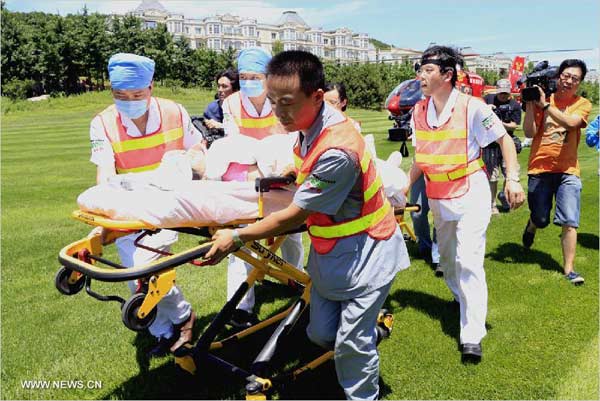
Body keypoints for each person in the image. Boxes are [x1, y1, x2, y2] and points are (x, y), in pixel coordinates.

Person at [206, 50, 409, 400]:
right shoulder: (309, 126)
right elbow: (305, 166)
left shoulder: (337, 150)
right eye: (272, 102)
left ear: (316, 97)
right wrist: (293, 174)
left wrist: (236, 236)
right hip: (333, 254)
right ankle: (367, 338)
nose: (278, 112)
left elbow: (293, 216)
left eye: (286, 103)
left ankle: (364, 394)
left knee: (350, 344)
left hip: (369, 253)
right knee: (320, 335)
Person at [405, 46, 525, 362]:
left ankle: (471, 334)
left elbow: (505, 141)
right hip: (438, 197)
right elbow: (421, 158)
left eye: (428, 70)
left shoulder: (473, 107)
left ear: (447, 75)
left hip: (471, 192)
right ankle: (461, 297)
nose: (421, 76)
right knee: (447, 260)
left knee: (469, 260)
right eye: (420, 69)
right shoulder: (418, 112)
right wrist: (404, 188)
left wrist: (512, 179)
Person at [89, 53, 202, 356]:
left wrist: (189, 171)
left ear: (151, 87)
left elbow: (197, 150)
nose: (128, 101)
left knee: (144, 267)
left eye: (137, 94)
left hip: (171, 200)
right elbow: (105, 170)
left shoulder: (174, 111)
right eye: (119, 95)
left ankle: (182, 316)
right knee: (134, 277)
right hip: (129, 202)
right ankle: (164, 331)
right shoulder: (102, 122)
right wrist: (106, 207)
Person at [221, 47, 304, 328]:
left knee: (291, 234)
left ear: (267, 76)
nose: (248, 82)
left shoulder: (281, 100)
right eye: (243, 76)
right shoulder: (231, 104)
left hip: (282, 175)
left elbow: (289, 136)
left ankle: (296, 279)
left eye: (254, 76)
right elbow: (232, 145)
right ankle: (241, 307)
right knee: (243, 240)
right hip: (247, 178)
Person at [522, 59, 592, 285]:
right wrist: (532, 105)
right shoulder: (543, 99)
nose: (569, 81)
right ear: (558, 76)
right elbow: (530, 132)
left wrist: (544, 106)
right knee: (541, 218)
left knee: (570, 220)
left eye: (575, 78)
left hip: (568, 171)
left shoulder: (582, 103)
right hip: (540, 168)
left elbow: (571, 123)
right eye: (566, 76)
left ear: (579, 83)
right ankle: (533, 224)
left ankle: (569, 269)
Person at [483, 79, 522, 213]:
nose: (502, 96)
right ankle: (492, 204)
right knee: (492, 176)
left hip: (507, 142)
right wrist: (486, 110)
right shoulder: (488, 99)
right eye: (500, 93)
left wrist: (499, 123)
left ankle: (504, 196)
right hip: (490, 143)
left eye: (505, 94)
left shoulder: (514, 105)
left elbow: (514, 125)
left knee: (509, 172)